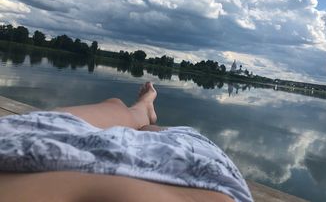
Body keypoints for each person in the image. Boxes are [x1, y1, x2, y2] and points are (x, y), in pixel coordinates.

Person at [0, 82, 253, 202]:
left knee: (116, 107)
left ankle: (141, 109)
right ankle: (143, 111)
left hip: (25, 143)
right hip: (193, 171)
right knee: (137, 121)